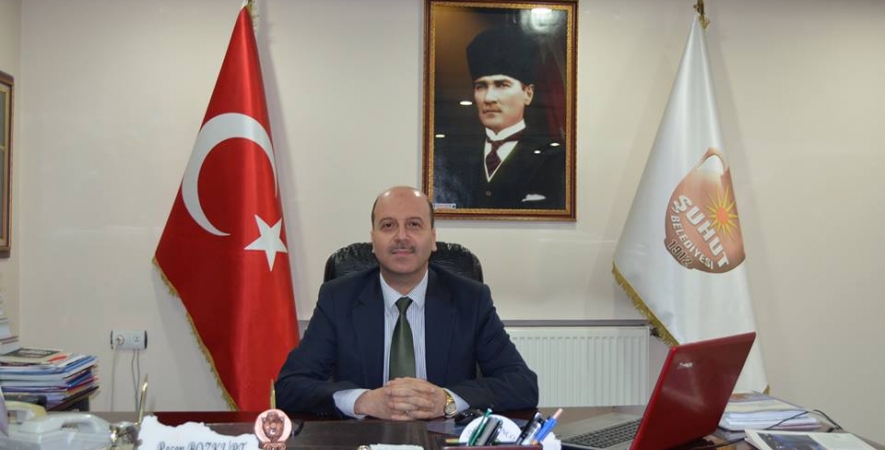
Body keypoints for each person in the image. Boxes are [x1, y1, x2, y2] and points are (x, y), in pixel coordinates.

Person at [275, 186, 538, 419]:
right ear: (373, 240)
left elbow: (522, 384)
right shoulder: (338, 299)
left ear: (432, 238)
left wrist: (446, 401)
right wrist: (362, 401)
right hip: (364, 440)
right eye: (388, 225)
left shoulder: (470, 299)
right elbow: (289, 386)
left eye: (414, 224)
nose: (401, 236)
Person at [433, 26, 566, 210]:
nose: (488, 98)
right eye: (481, 86)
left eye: (502, 85)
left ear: (528, 93)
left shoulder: (555, 158)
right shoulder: (455, 158)